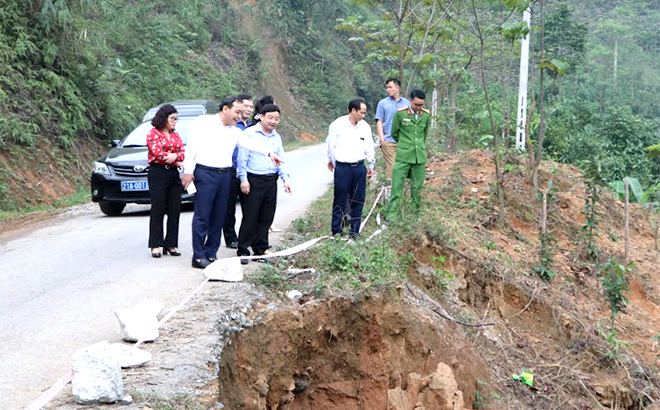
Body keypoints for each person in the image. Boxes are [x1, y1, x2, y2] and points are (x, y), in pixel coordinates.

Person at [182, 96, 283, 269]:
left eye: (241, 112)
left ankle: (211, 253)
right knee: (203, 215)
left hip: (225, 175)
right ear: (225, 109)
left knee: (219, 215)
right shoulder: (204, 122)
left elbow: (251, 145)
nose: (240, 116)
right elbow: (191, 147)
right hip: (205, 173)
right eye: (237, 112)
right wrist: (188, 171)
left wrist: (269, 153)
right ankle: (198, 256)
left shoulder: (235, 131)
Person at [236, 104, 292, 264]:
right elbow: (242, 159)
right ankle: (243, 249)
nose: (273, 121)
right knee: (251, 215)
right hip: (253, 180)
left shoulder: (276, 137)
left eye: (277, 119)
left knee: (267, 215)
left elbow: (281, 159)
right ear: (261, 116)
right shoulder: (249, 134)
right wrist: (243, 179)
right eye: (270, 118)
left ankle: (261, 247)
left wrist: (285, 178)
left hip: (270, 180)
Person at [326, 98, 375, 238]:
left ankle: (355, 231)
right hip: (343, 168)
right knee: (339, 200)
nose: (363, 116)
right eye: (361, 112)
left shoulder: (365, 127)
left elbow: (369, 146)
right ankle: (336, 232)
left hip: (359, 167)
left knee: (358, 200)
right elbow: (331, 146)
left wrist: (371, 164)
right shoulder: (337, 125)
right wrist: (336, 165)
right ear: (353, 110)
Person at [385, 89, 431, 222]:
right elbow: (395, 133)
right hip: (403, 157)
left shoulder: (426, 116)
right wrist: (405, 144)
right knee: (397, 188)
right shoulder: (400, 114)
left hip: (419, 158)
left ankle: (414, 217)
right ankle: (391, 217)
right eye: (416, 104)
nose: (419, 107)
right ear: (410, 101)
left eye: (421, 105)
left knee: (417, 190)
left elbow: (424, 134)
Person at [146, 104, 185, 258]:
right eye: (172, 118)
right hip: (158, 173)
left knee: (175, 208)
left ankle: (171, 244)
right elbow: (157, 153)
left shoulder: (175, 135)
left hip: (173, 174)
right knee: (158, 208)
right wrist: (174, 158)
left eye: (176, 119)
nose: (175, 122)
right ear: (164, 118)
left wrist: (174, 158)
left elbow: (182, 152)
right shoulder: (153, 133)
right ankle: (155, 244)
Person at [223, 93, 254, 249]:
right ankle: (230, 237)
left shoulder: (251, 126)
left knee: (249, 207)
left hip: (247, 173)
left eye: (250, 107)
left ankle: (246, 237)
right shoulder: (233, 125)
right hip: (231, 171)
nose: (248, 109)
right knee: (229, 208)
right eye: (245, 106)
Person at [375, 77, 409, 179]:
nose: (388, 90)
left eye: (390, 87)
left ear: (397, 87)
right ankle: (390, 190)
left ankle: (400, 191)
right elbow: (379, 121)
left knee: (402, 167)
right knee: (393, 166)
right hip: (389, 140)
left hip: (404, 142)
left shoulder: (407, 103)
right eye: (387, 88)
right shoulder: (383, 103)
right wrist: (382, 139)